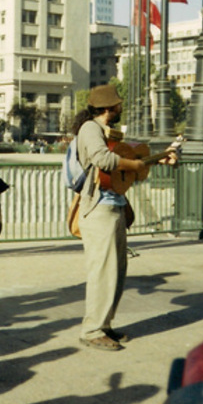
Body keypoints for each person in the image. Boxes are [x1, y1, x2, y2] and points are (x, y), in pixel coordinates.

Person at [72, 84, 175, 352]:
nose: (121, 108)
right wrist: (133, 164)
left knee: (116, 271)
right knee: (102, 272)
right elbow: (104, 159)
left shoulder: (108, 131)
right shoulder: (90, 129)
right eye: (118, 105)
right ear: (109, 107)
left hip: (114, 205)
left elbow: (126, 166)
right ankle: (92, 330)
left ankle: (104, 325)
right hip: (98, 208)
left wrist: (154, 161)